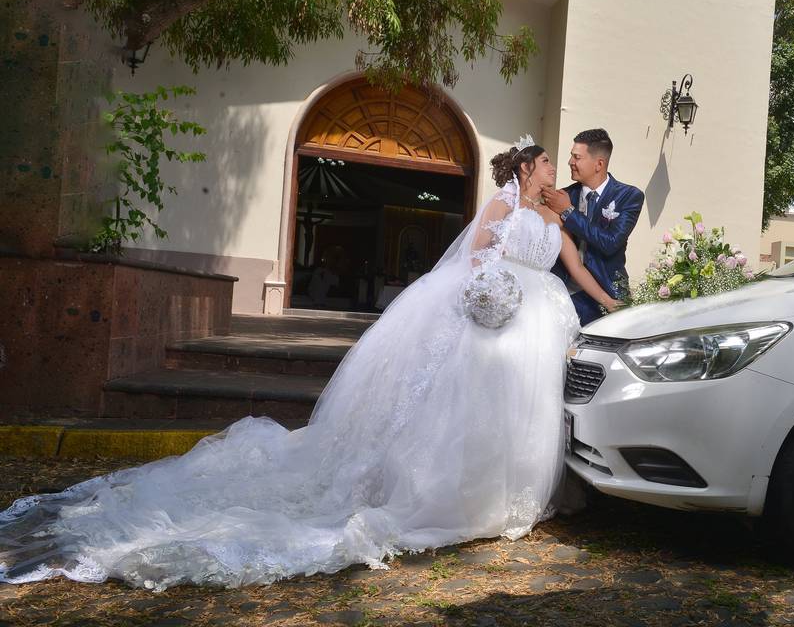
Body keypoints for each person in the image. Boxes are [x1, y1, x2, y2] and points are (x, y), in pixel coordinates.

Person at [0, 138, 620, 591]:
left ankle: (514, 495)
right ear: (528, 168)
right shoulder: (499, 209)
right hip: (495, 312)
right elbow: (472, 258)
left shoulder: (554, 216)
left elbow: (577, 269)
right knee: (470, 407)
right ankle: (460, 493)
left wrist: (610, 302)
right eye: (546, 162)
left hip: (539, 320)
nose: (553, 169)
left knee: (523, 409)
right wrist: (490, 289)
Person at [544, 128, 644, 325]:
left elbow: (610, 243)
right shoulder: (562, 196)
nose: (570, 162)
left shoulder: (630, 196)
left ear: (599, 164)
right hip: (565, 294)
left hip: (610, 294)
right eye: (571, 156)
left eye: (577, 157)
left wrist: (569, 212)